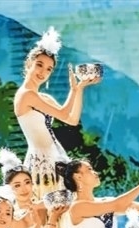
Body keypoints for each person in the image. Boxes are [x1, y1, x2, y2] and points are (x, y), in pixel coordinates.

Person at [14, 26, 100, 198]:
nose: (43, 72)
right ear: (29, 64)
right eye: (39, 65)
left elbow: (71, 119)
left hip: (56, 159)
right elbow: (63, 113)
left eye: (49, 69)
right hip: (40, 165)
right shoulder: (26, 95)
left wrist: (78, 89)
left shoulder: (43, 98)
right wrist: (75, 90)